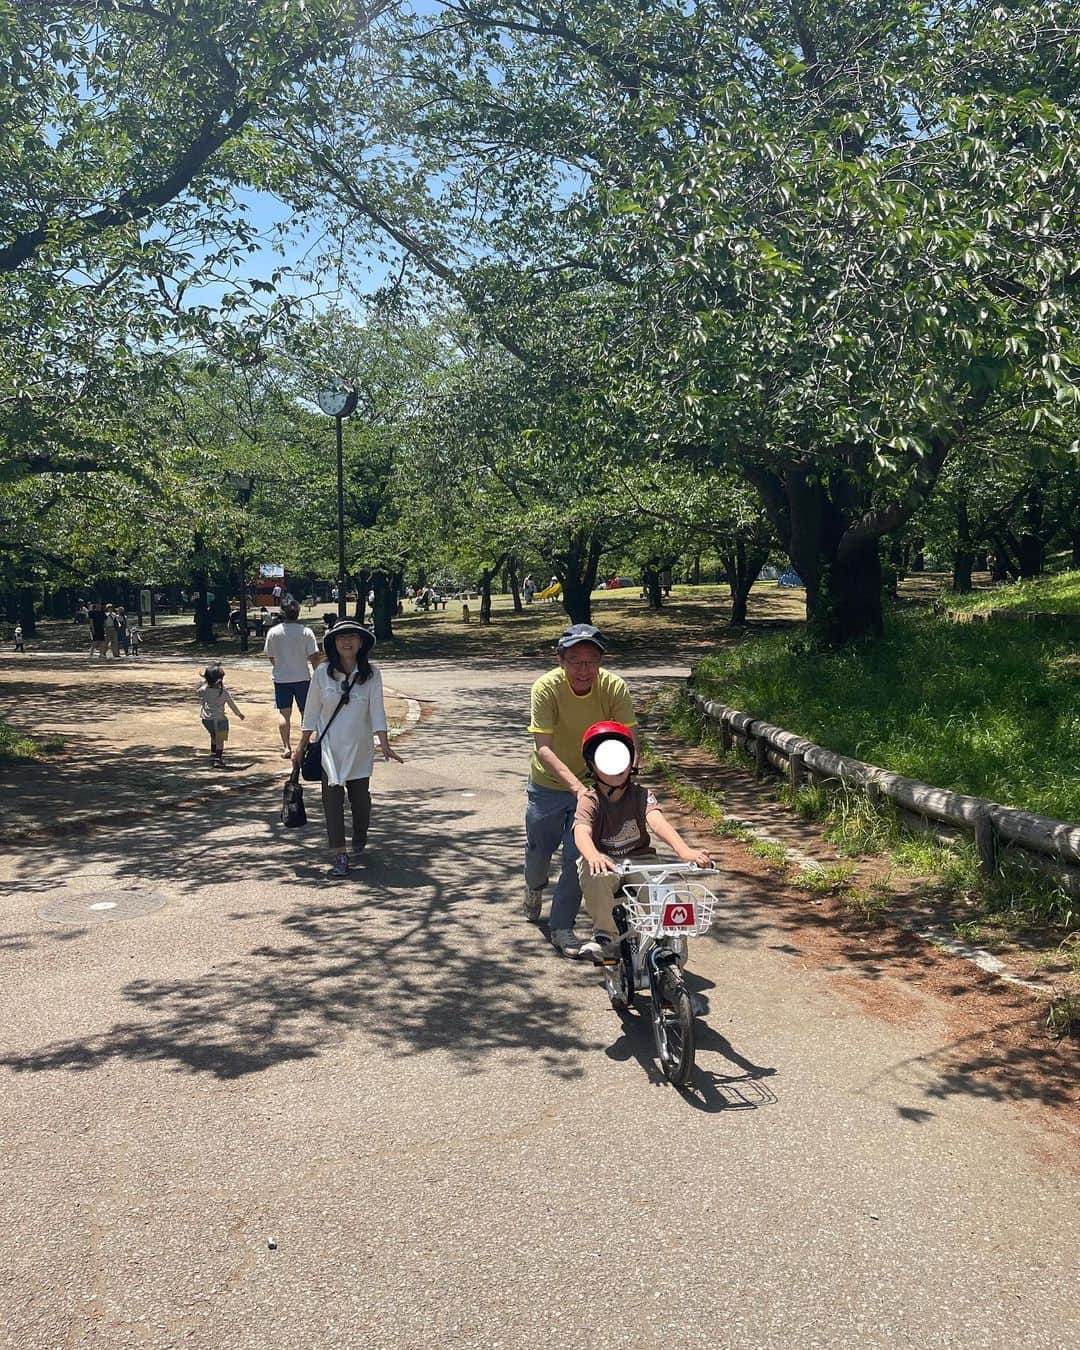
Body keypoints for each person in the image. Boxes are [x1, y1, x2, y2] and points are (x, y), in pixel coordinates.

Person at [524, 623, 639, 956]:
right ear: (560, 660)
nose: (583, 669)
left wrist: (623, 782)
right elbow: (543, 747)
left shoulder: (614, 687)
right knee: (538, 855)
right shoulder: (545, 688)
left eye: (591, 661)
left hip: (593, 784)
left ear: (601, 662)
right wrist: (576, 788)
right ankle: (532, 888)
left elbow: (629, 739)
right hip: (548, 785)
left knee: (579, 857)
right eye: (575, 661)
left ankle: (562, 927)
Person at [572, 721, 711, 961]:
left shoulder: (641, 795)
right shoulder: (589, 799)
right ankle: (605, 938)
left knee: (664, 895)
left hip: (640, 859)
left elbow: (658, 822)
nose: (616, 768)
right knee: (596, 877)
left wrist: (684, 851)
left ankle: (672, 940)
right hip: (604, 861)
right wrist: (593, 855)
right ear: (592, 765)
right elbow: (581, 831)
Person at [293, 618, 403, 879]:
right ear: (333, 642)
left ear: (362, 642)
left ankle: (360, 834)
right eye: (342, 637)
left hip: (360, 747)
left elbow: (377, 710)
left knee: (360, 801)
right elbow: (311, 712)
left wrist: (384, 743)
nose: (347, 641)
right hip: (330, 747)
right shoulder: (322, 672)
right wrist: (300, 745)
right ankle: (339, 854)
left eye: (353, 636)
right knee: (332, 801)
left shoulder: (371, 673)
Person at [264, 598, 319, 758]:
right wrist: (318, 675)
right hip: (302, 677)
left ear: (282, 612)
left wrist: (279, 666)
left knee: (284, 713)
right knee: (305, 713)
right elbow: (314, 656)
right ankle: (305, 744)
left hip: (281, 678)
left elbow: (271, 656)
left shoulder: (273, 632)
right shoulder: (306, 632)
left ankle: (286, 747)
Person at [197, 664, 245, 767]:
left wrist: (205, 682)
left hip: (206, 719)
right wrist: (239, 714)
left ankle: (213, 755)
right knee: (220, 740)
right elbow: (231, 704)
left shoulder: (204, 690)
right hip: (220, 720)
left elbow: (198, 690)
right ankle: (218, 759)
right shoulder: (223, 692)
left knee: (213, 736)